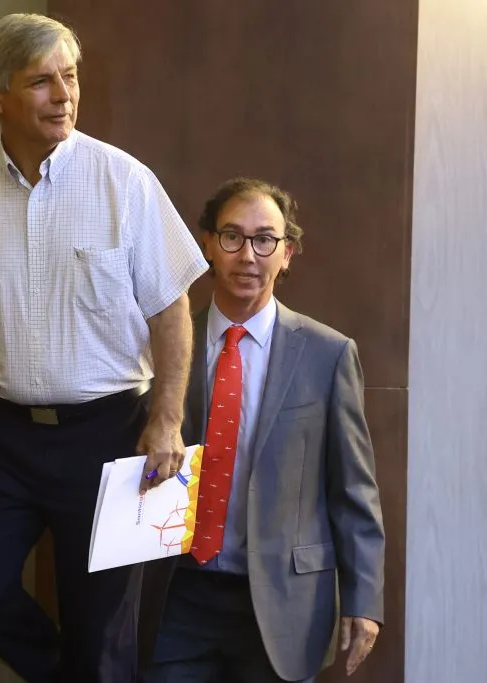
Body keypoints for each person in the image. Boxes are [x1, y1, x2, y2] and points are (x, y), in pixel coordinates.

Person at [0, 13, 208, 683]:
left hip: (114, 434)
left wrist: (167, 419)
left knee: (103, 638)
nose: (64, 95)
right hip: (3, 435)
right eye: (41, 81)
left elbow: (171, 309)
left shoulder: (125, 183)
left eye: (71, 76)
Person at [137, 178, 386, 682]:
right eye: (232, 236)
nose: (248, 255)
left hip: (283, 602)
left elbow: (353, 490)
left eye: (265, 239)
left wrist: (364, 598)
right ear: (207, 245)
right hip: (177, 596)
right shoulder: (160, 347)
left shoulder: (328, 354)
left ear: (286, 253)